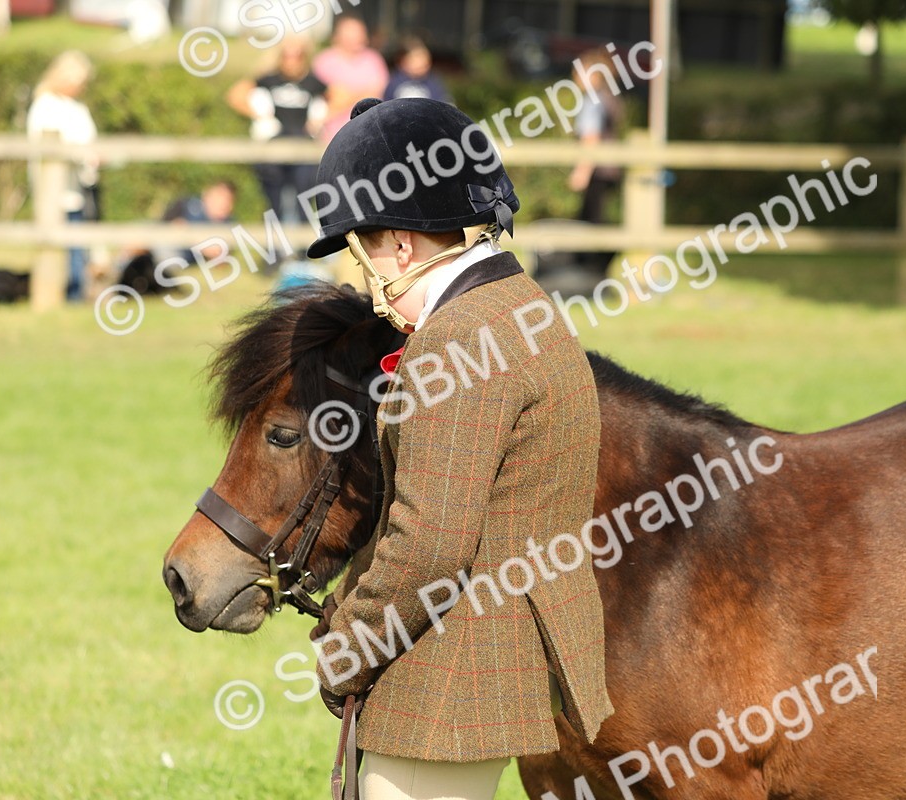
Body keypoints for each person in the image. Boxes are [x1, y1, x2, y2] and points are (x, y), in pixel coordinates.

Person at [307, 98, 613, 800]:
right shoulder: (524, 304)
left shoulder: (456, 337)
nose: (365, 284)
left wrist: (346, 648)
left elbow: (432, 542)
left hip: (453, 673)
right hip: (504, 651)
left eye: (363, 255)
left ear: (402, 245)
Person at [226, 36, 326, 222]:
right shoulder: (268, 80)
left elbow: (341, 95)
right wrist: (258, 114)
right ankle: (276, 246)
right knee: (274, 202)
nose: (291, 61)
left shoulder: (312, 82)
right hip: (274, 145)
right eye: (287, 56)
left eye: (297, 56)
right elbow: (235, 95)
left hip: (302, 147)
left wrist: (320, 118)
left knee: (303, 200)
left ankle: (301, 247)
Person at [26, 50, 98, 302]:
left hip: (79, 187)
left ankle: (77, 296)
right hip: (56, 191)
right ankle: (62, 297)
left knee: (79, 247)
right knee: (61, 249)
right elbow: (49, 146)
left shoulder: (77, 107)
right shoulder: (45, 105)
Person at [567, 47, 625, 273]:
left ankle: (590, 272)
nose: (575, 77)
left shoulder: (593, 100)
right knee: (596, 220)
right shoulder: (609, 97)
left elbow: (591, 138)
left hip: (597, 170)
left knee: (591, 223)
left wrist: (581, 171)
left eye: (579, 72)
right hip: (609, 169)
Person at [311, 16, 389, 144]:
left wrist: (345, 95)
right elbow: (326, 96)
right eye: (353, 33)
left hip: (367, 134)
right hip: (329, 136)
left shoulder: (374, 60)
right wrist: (360, 93)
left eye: (361, 33)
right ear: (339, 36)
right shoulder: (324, 61)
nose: (359, 37)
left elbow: (374, 97)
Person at [382, 36, 451, 103]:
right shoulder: (395, 82)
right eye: (417, 58)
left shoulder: (433, 83)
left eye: (426, 59)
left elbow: (442, 102)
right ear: (403, 61)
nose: (423, 62)